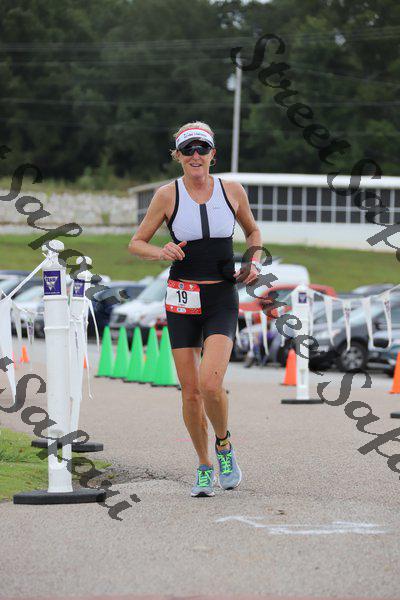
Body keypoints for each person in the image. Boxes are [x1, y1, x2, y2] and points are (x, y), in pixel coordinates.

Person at [128, 121, 263, 497]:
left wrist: (252, 261)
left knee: (210, 384)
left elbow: (253, 231)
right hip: (182, 299)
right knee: (189, 392)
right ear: (177, 156)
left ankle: (224, 446)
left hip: (221, 297)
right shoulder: (166, 195)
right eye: (187, 149)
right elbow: (136, 243)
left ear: (213, 154)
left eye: (202, 148)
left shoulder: (232, 190)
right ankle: (204, 465)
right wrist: (161, 251)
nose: (195, 155)